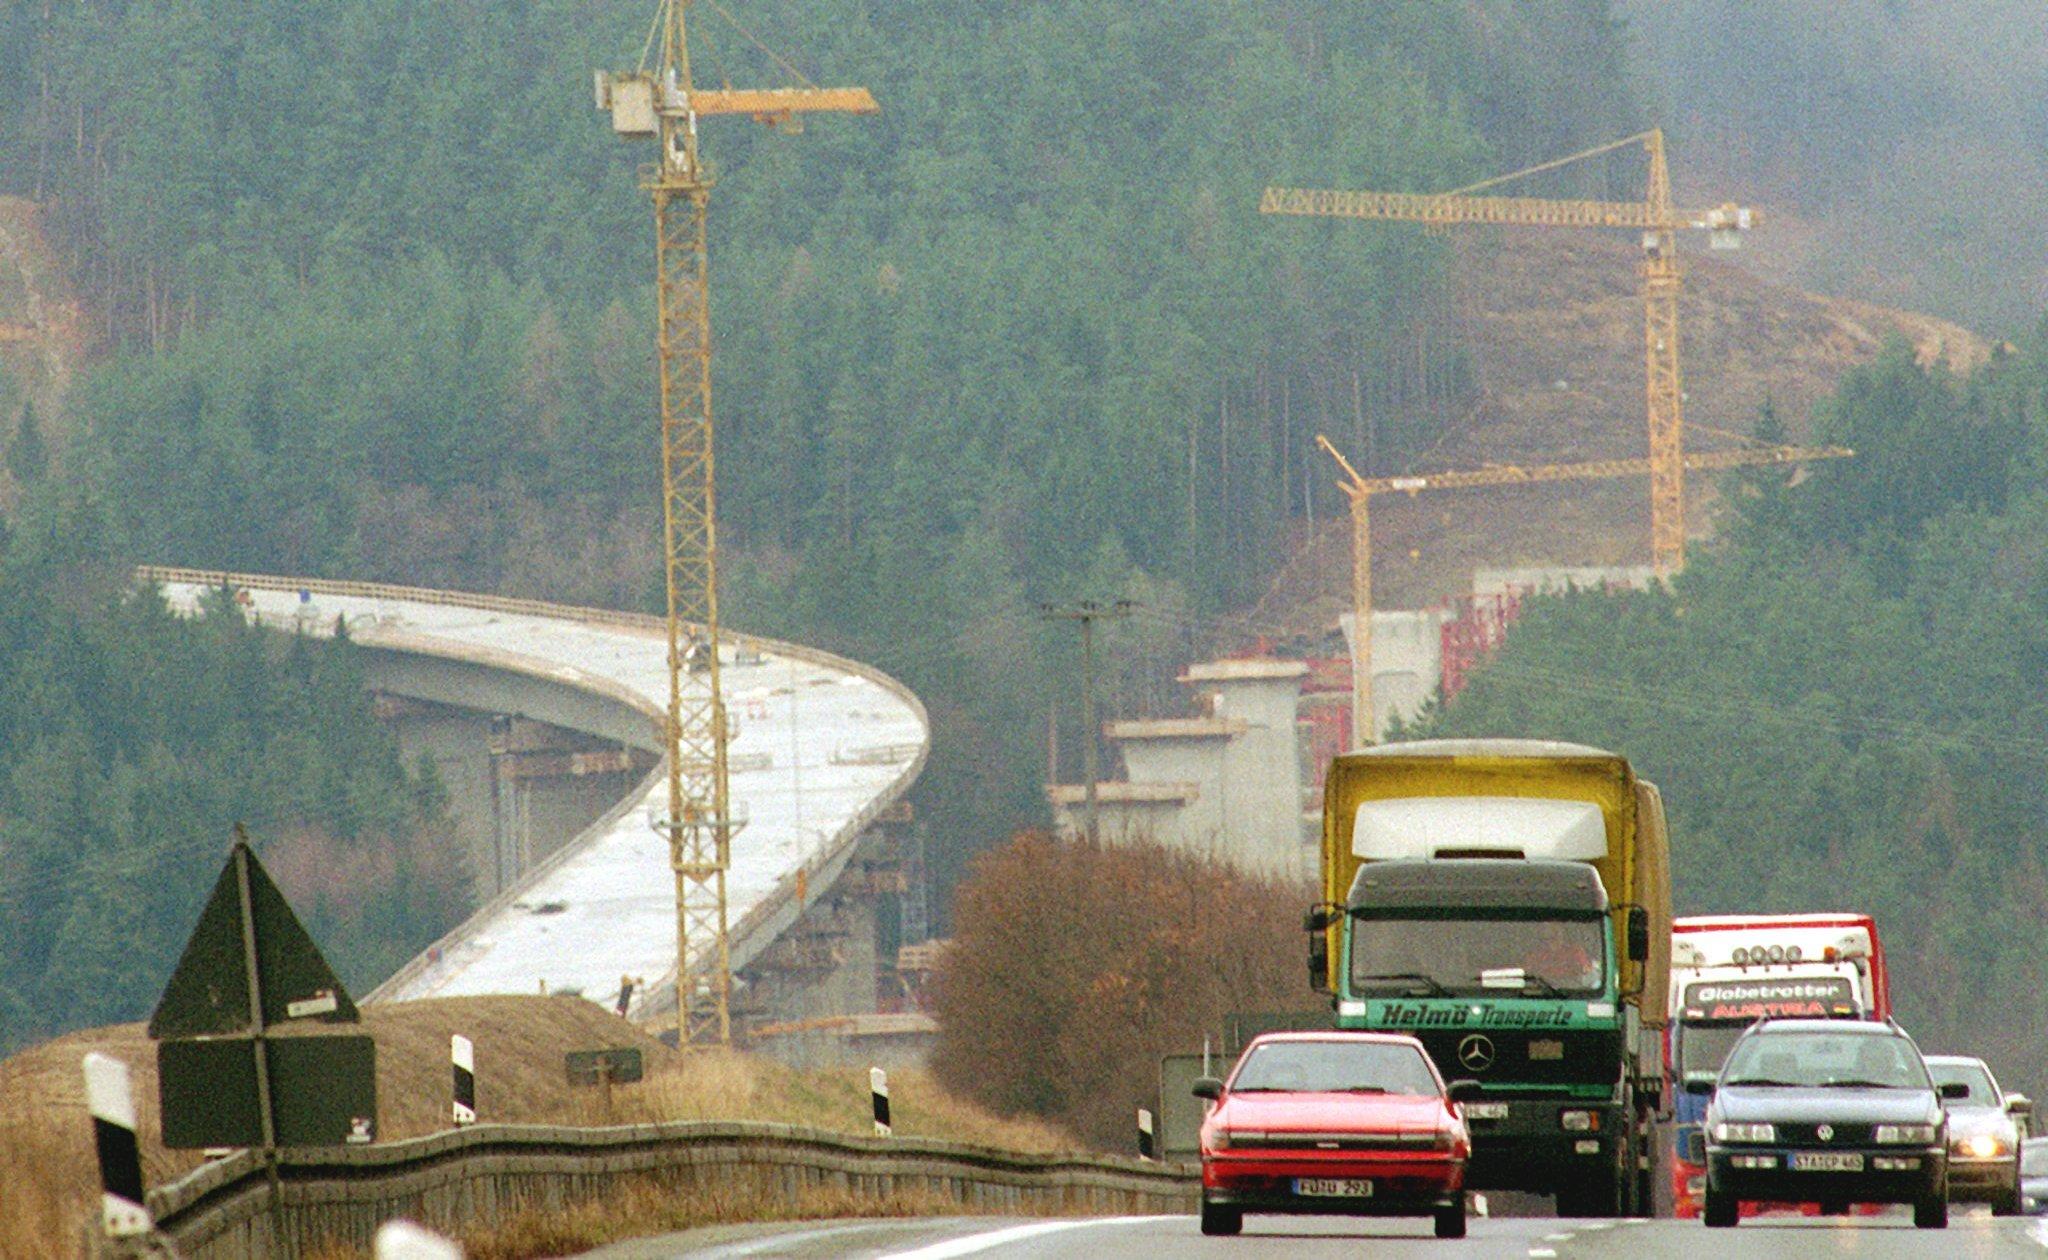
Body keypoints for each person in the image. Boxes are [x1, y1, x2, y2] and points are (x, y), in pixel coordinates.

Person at [1522, 920, 1600, 989]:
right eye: (1549, 934)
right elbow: (1526, 976)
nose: (1553, 937)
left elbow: (1588, 971)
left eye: (1556, 932)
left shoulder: (1576, 952)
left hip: (1571, 992)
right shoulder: (1534, 956)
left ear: (1563, 934)